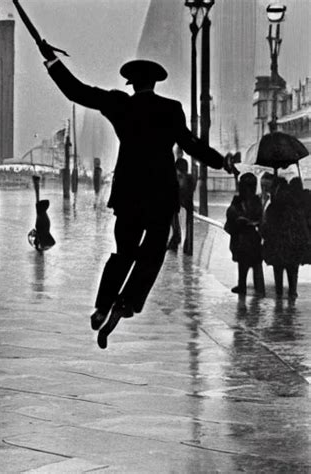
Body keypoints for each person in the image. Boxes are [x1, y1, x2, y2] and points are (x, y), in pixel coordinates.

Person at [38, 41, 233, 348]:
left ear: (131, 83)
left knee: (123, 252)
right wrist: (221, 161)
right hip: (161, 194)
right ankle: (128, 302)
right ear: (155, 83)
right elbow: (192, 144)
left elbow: (76, 91)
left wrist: (50, 60)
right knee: (152, 255)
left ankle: (103, 304)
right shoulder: (171, 109)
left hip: (129, 193)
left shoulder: (121, 105)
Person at [261, 177, 308, 299]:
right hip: (293, 244)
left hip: (277, 245)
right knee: (293, 271)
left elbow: (266, 226)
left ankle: (279, 295)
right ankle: (292, 293)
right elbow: (301, 225)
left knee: (278, 270)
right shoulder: (295, 205)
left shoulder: (273, 206)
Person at [224, 173, 264, 296]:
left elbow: (260, 216)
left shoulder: (256, 200)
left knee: (254, 263)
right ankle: (243, 285)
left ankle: (256, 286)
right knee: (244, 263)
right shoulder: (238, 200)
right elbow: (231, 214)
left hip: (250, 236)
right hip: (242, 236)